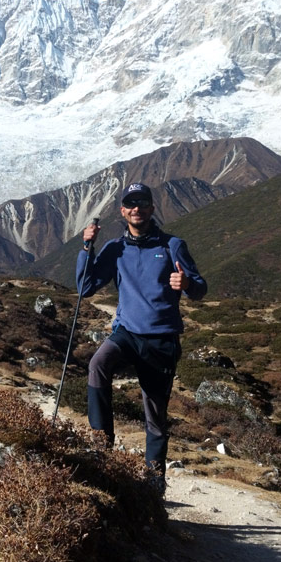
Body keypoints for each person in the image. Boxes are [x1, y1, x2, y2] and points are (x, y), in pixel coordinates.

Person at [76, 181, 207, 494]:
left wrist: (186, 283)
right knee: (98, 365)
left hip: (161, 340)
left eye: (142, 203)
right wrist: (85, 248)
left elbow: (201, 288)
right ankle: (101, 447)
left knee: (155, 414)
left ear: (151, 208)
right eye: (130, 204)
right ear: (123, 211)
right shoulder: (114, 248)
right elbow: (85, 288)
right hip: (127, 333)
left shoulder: (172, 245)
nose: (137, 209)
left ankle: (154, 482)